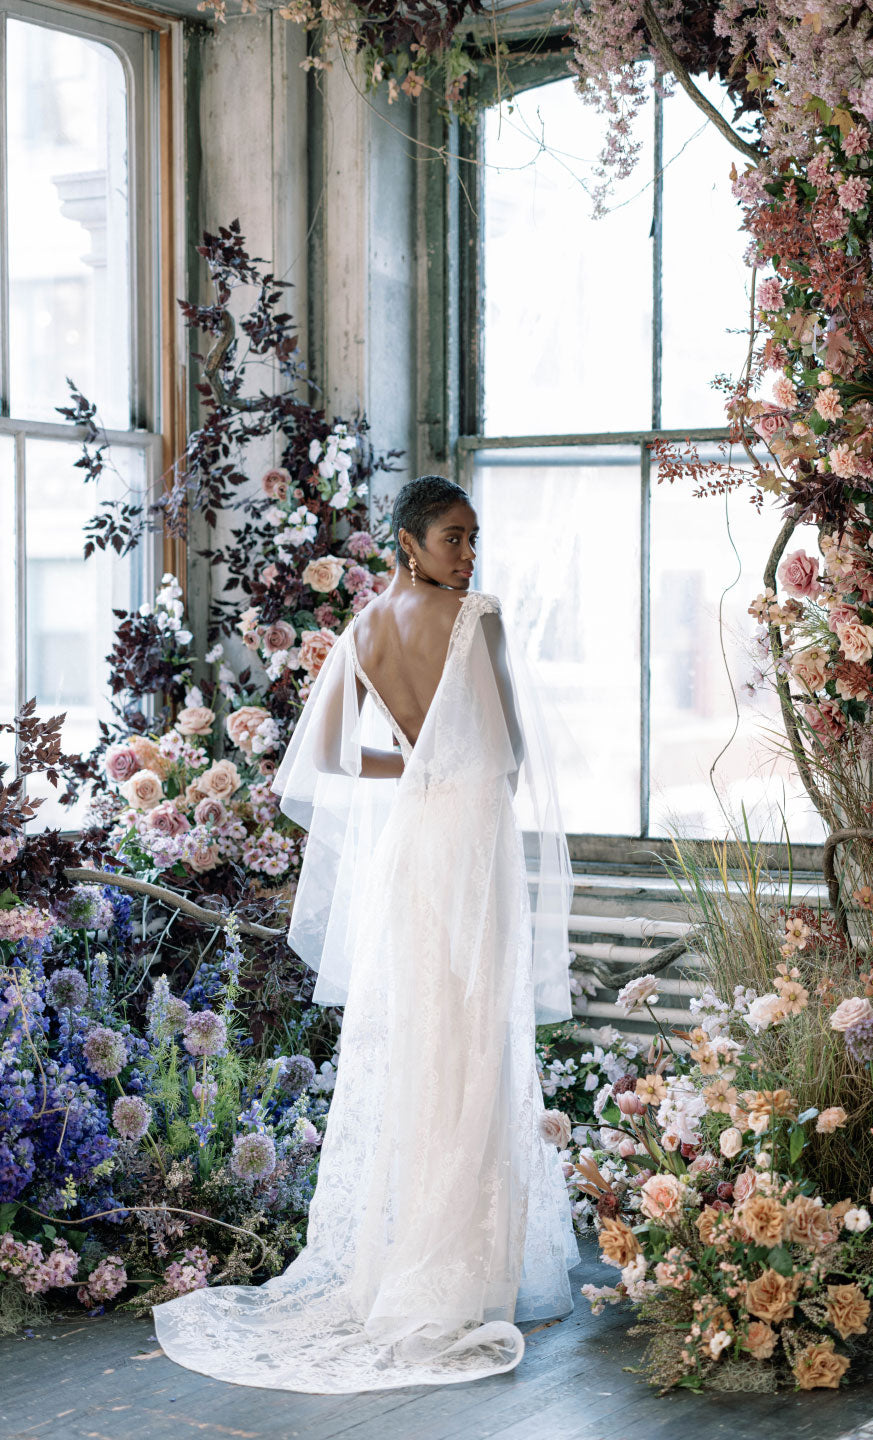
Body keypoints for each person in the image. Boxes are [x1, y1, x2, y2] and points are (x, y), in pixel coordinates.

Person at [151, 475, 581, 1392]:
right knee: (464, 1041)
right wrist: (450, 761)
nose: (469, 556)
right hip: (467, 840)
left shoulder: (366, 629)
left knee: (428, 1040)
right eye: (454, 539)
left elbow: (343, 756)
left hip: (415, 842)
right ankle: (459, 1272)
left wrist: (419, 760)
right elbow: (507, 753)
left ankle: (415, 1257)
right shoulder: (482, 618)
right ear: (407, 544)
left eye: (474, 538)